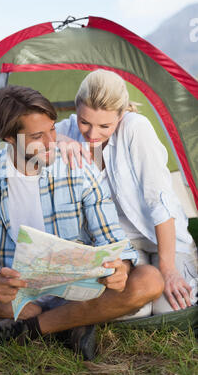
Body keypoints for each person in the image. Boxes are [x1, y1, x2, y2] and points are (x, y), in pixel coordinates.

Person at [0, 85, 164, 360]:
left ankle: (28, 329)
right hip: (15, 297)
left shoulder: (78, 167)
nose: (53, 142)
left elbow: (111, 238)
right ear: (8, 138)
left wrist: (121, 266)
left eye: (52, 129)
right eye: (38, 136)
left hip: (75, 292)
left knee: (149, 280)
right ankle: (66, 325)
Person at [56, 69, 198, 317]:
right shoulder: (68, 129)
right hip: (122, 244)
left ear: (121, 116)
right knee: (135, 310)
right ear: (76, 109)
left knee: (173, 308)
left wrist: (168, 269)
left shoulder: (136, 128)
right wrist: (57, 139)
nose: (92, 134)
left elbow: (159, 202)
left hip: (162, 238)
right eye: (84, 122)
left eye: (104, 126)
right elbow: (22, 139)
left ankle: (182, 263)